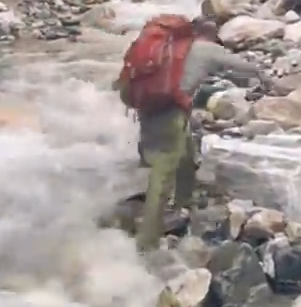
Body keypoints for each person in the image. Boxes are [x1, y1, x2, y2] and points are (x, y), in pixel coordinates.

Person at [114, 15, 265, 251]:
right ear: (210, 34)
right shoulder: (207, 49)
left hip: (148, 107)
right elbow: (245, 68)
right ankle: (147, 242)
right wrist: (263, 73)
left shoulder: (170, 49)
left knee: (184, 152)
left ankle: (185, 202)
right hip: (171, 113)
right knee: (162, 176)